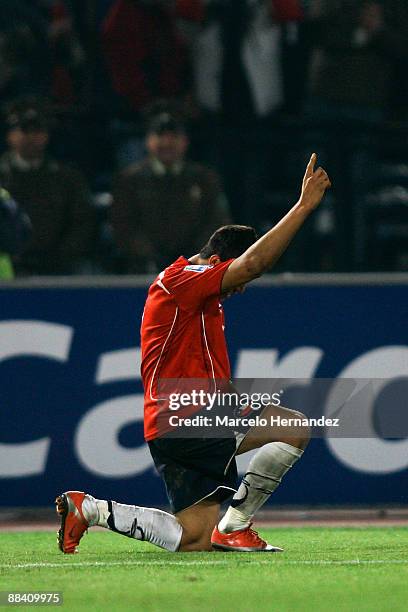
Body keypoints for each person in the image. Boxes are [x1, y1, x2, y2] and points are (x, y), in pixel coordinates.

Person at [56, 153, 331, 553]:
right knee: (293, 428)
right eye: (235, 278)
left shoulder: (198, 299)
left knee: (192, 538)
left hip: (172, 425)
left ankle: (90, 510)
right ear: (216, 262)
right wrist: (304, 205)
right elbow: (253, 263)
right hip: (188, 413)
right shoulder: (181, 279)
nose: (239, 288)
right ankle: (235, 526)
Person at [111, 112, 231, 273]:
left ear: (185, 142)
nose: (167, 143)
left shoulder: (204, 178)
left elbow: (217, 221)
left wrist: (194, 257)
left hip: (196, 268)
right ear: (148, 141)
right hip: (142, 268)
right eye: (160, 136)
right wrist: (149, 256)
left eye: (173, 137)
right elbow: (123, 225)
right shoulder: (129, 180)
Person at [0, 100, 94, 275]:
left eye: (37, 131)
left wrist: (62, 254)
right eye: (24, 130)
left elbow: (82, 222)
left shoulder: (67, 177)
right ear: (10, 135)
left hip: (57, 264)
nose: (31, 137)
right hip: (7, 265)